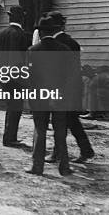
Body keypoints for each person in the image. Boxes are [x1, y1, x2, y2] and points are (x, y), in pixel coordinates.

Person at [25, 15, 73, 176]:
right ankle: (64, 167)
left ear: (40, 31)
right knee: (60, 131)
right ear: (54, 30)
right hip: (59, 96)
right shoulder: (64, 49)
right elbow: (70, 77)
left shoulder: (33, 51)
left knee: (40, 130)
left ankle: (37, 166)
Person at [47, 11, 95, 163]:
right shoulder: (72, 42)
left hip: (61, 88)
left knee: (59, 122)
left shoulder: (55, 44)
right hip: (73, 87)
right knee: (72, 121)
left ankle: (58, 153)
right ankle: (86, 150)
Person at [0, 5, 31, 147]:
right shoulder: (23, 35)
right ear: (22, 19)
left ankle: (9, 136)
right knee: (15, 106)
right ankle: (9, 138)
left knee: (11, 105)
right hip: (17, 76)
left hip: (2, 75)